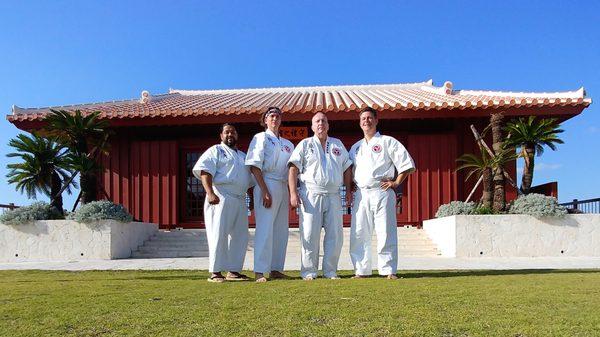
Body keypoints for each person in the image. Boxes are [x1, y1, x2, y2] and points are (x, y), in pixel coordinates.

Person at [349, 108, 415, 279]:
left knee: (385, 231)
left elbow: (406, 164)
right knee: (359, 232)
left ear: (376, 120)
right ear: (359, 122)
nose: (366, 121)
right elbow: (348, 170)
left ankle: (388, 270)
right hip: (362, 193)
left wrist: (396, 182)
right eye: (363, 118)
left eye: (370, 118)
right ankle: (361, 270)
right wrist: (349, 188)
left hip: (382, 191)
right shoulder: (356, 147)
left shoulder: (387, 141)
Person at [288, 112, 352, 280]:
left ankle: (330, 271)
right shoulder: (305, 144)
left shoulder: (337, 144)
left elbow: (347, 168)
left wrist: (348, 191)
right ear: (312, 126)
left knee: (335, 235)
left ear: (328, 125)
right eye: (317, 121)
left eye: (324, 121)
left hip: (333, 195)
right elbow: (293, 168)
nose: (321, 124)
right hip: (310, 194)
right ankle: (309, 271)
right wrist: (293, 193)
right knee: (309, 234)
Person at [193, 123, 253, 283]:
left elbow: (248, 180)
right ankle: (215, 272)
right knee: (218, 233)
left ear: (237, 135)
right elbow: (205, 171)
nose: (230, 134)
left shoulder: (242, 156)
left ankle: (233, 271)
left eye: (233, 132)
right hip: (220, 195)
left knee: (240, 236)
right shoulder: (215, 151)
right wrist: (210, 193)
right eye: (227, 132)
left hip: (240, 198)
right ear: (221, 135)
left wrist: (250, 198)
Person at [245, 107, 294, 282]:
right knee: (265, 229)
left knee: (281, 230)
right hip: (266, 182)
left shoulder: (288, 144)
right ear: (265, 120)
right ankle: (260, 270)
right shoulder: (260, 138)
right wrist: (264, 190)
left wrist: (292, 192)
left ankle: (275, 268)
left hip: (282, 185)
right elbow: (254, 165)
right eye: (271, 116)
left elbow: (292, 170)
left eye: (278, 116)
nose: (275, 118)